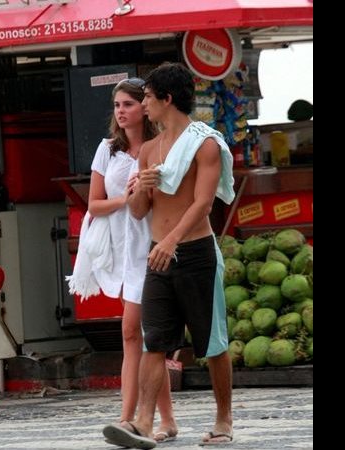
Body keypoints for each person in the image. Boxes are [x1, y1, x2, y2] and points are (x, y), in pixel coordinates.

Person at [103, 63, 236, 449]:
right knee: (154, 341)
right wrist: (141, 189)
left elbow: (203, 203)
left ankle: (224, 420)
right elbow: (140, 211)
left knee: (212, 343)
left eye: (147, 97)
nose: (143, 104)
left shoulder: (205, 143)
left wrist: (172, 241)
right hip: (156, 255)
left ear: (167, 98)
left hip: (195, 252)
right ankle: (143, 423)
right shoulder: (146, 150)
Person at [88, 78, 177, 445]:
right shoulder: (107, 149)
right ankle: (163, 420)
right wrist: (126, 200)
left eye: (127, 104)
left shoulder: (161, 148)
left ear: (146, 106)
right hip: (124, 247)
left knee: (139, 333)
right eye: (116, 105)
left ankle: (128, 418)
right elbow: (93, 204)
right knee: (141, 335)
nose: (120, 111)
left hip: (152, 245)